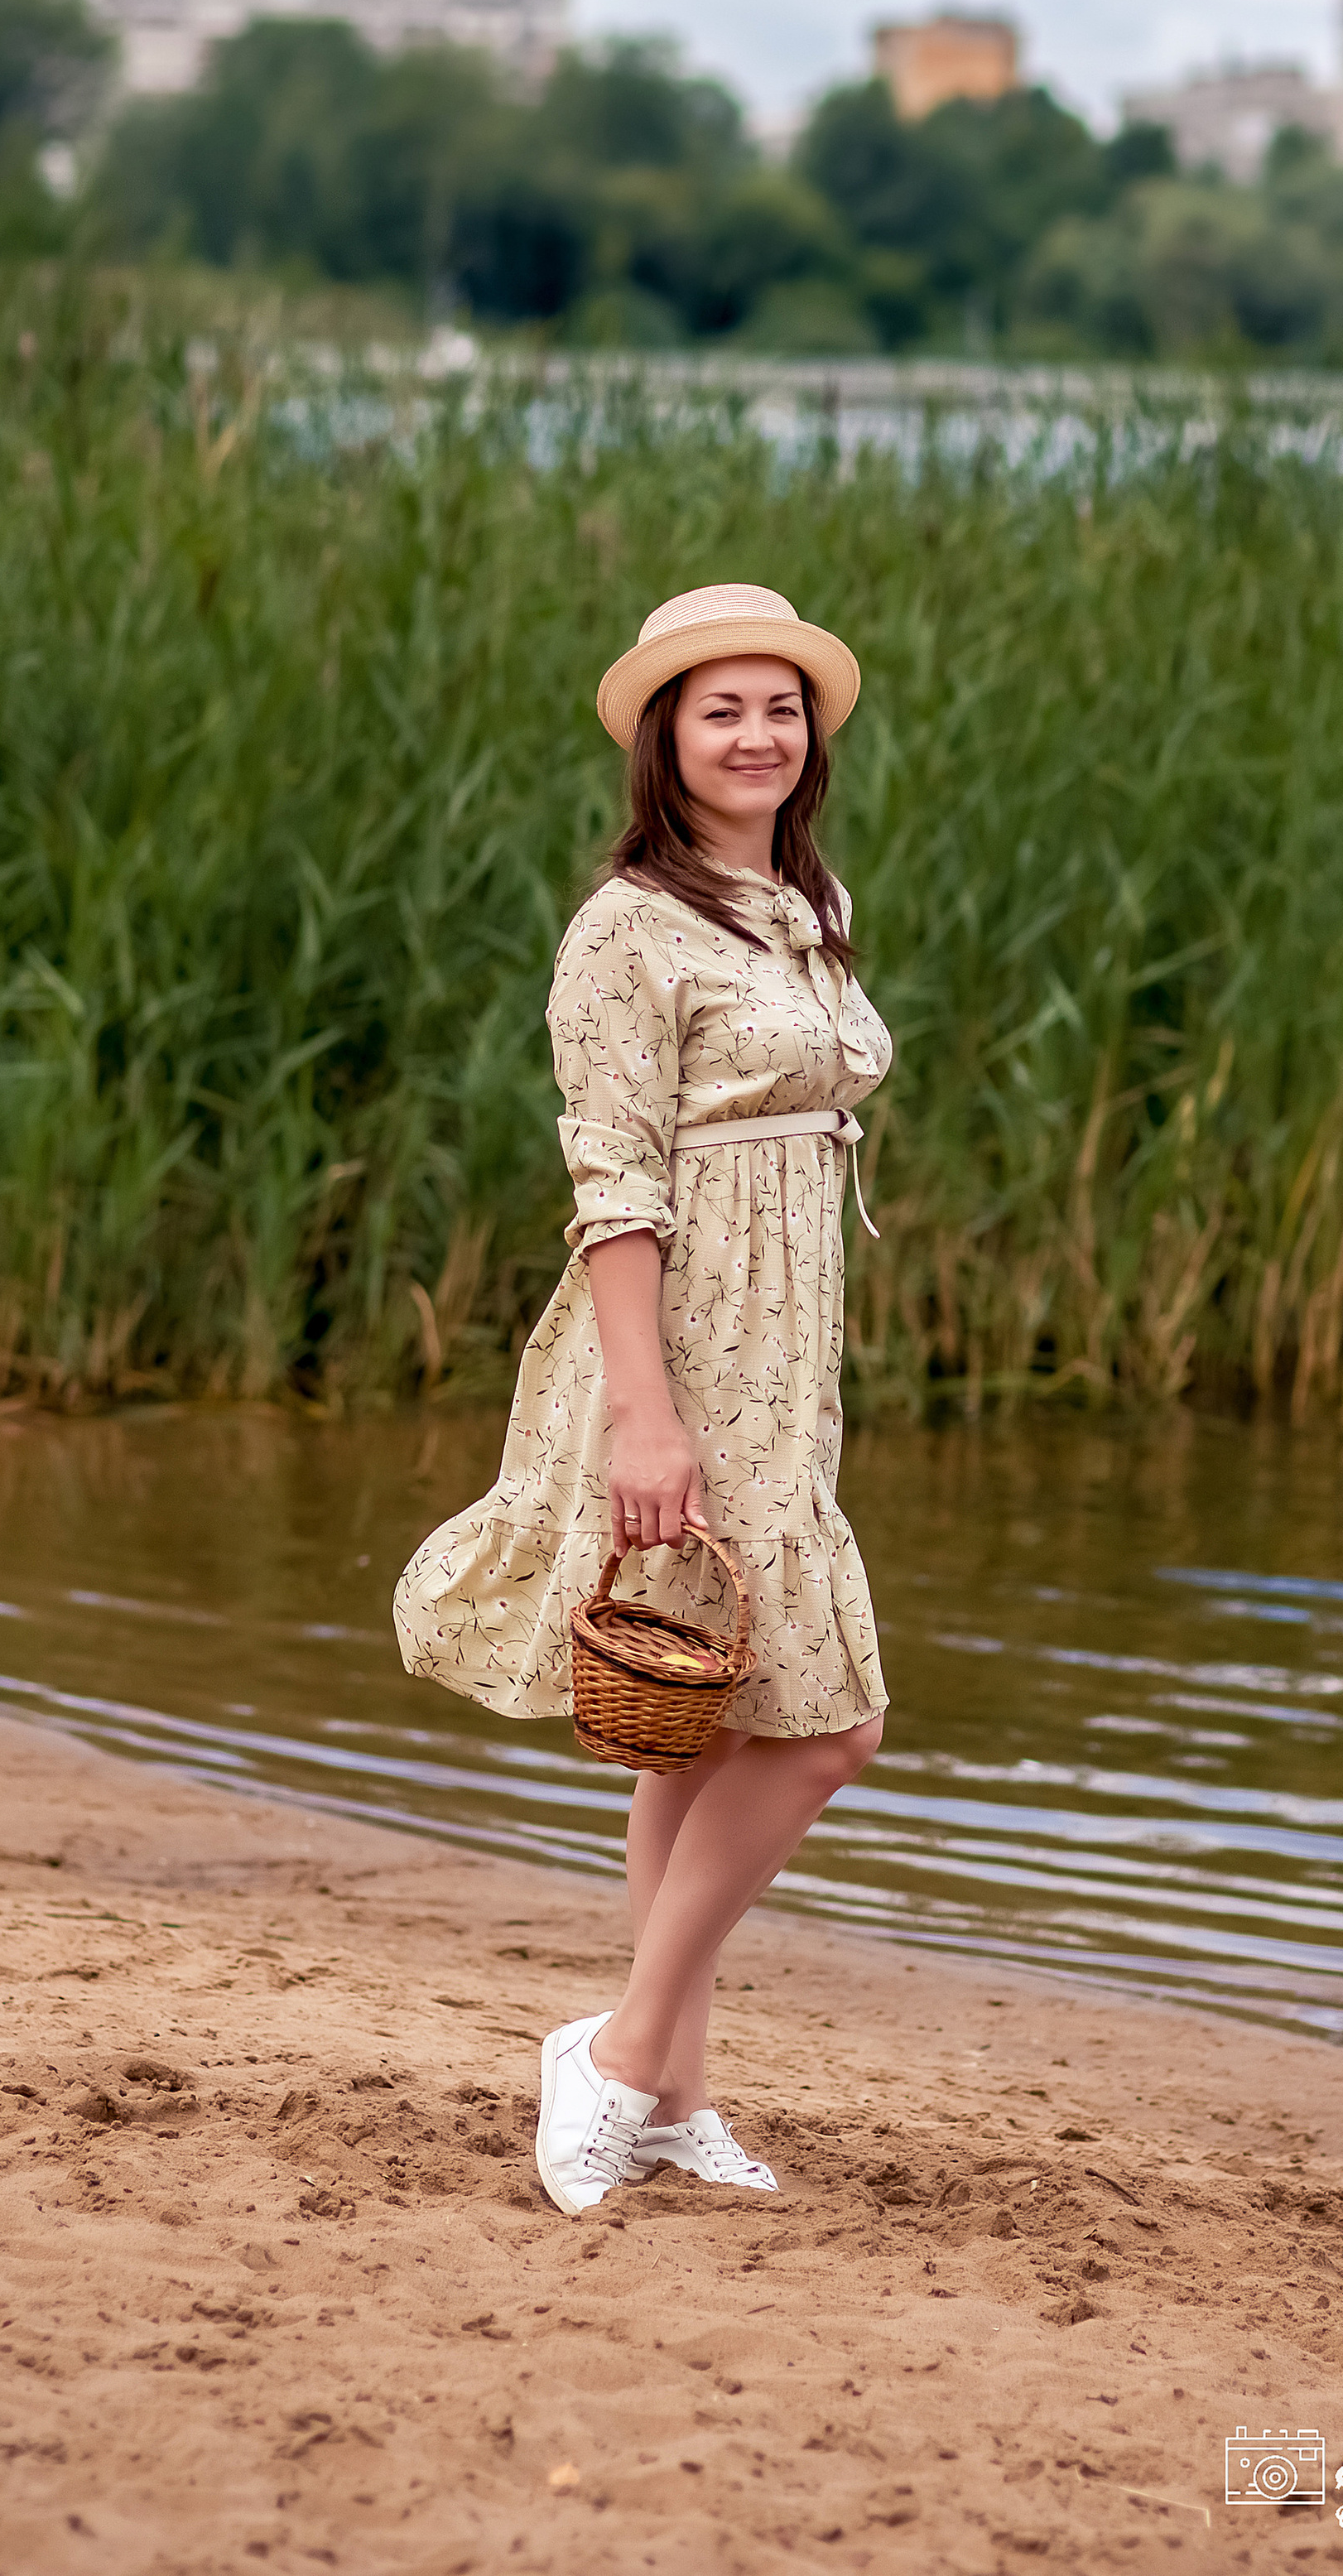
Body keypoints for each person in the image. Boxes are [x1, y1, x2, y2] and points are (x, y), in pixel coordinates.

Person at [394, 582, 890, 2218]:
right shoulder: (627, 924)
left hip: (785, 1350)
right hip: (681, 1346)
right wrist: (642, 1413)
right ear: (664, 738)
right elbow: (612, 1182)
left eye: (779, 709)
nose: (756, 735)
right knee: (827, 1730)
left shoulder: (801, 899)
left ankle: (669, 2093)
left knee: (699, 1726)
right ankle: (613, 2052)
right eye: (719, 710)